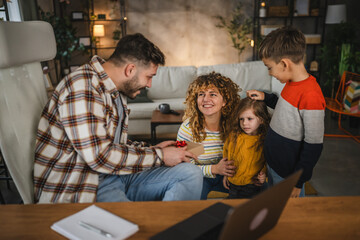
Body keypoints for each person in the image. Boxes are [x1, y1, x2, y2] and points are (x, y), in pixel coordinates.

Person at [33, 33, 203, 203]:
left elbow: (114, 145)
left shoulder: (115, 90)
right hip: (84, 184)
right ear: (130, 70)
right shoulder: (83, 89)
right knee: (133, 226)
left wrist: (153, 149)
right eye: (149, 76)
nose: (149, 85)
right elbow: (100, 156)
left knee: (190, 174)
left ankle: (171, 228)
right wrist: (160, 156)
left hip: (113, 174)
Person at [247, 26, 326, 198]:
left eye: (269, 67)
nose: (269, 73)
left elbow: (313, 145)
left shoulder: (311, 95)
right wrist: (266, 98)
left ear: (284, 64)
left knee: (288, 216)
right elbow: (285, 110)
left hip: (288, 175)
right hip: (274, 166)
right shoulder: (291, 84)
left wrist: (298, 182)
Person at [177, 72, 240, 199]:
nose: (206, 99)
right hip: (201, 177)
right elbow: (183, 166)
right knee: (191, 195)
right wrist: (215, 169)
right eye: (201, 94)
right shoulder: (188, 128)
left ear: (225, 101)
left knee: (259, 190)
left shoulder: (235, 125)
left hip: (230, 175)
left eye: (213, 94)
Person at [222, 97, 270, 199]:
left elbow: (266, 162)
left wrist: (263, 175)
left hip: (252, 185)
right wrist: (226, 174)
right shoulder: (233, 135)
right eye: (241, 119)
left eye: (249, 119)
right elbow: (227, 153)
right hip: (233, 184)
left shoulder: (264, 140)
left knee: (249, 209)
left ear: (261, 119)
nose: (244, 123)